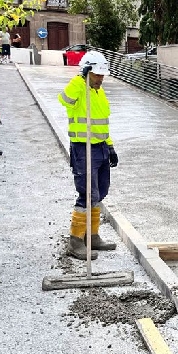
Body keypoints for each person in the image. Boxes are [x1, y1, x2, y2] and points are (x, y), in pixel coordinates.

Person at [58, 50, 119, 260]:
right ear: (86, 72)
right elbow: (64, 100)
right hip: (83, 149)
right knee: (87, 193)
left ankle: (92, 236)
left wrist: (110, 147)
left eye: (103, 75)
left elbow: (102, 123)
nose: (101, 78)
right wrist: (79, 78)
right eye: (97, 74)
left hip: (100, 147)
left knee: (100, 192)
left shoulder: (98, 92)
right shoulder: (78, 89)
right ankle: (75, 241)